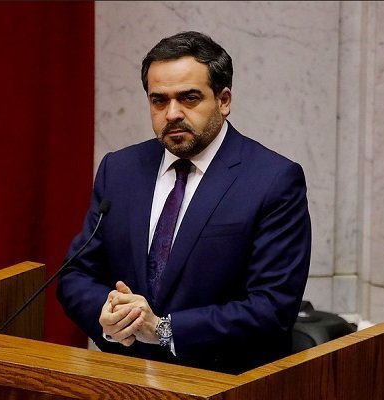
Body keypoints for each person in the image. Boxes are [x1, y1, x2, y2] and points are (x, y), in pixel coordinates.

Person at [57, 31, 311, 374]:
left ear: (223, 100)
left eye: (188, 98)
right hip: (124, 379)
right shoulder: (119, 169)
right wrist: (108, 314)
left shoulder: (273, 180)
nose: (172, 113)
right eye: (158, 100)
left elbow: (272, 307)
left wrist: (163, 330)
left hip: (221, 382)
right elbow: (75, 274)